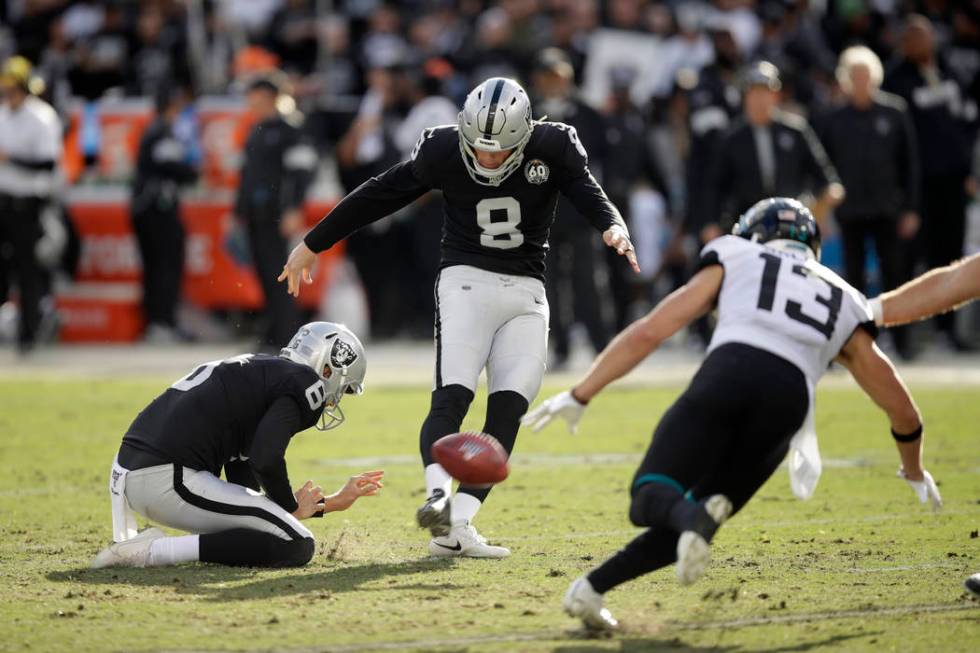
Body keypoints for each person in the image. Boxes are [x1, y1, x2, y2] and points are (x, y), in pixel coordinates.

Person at [524, 198, 941, 630]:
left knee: (649, 495)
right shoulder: (844, 295)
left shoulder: (735, 253)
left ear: (754, 234)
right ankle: (591, 590)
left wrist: (581, 393)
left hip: (730, 372)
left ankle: (686, 521)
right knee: (694, 521)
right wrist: (912, 468)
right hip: (788, 405)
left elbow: (652, 330)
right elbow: (902, 409)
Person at [280, 77, 638, 558]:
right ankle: (435, 496)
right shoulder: (443, 148)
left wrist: (613, 225)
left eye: (500, 150)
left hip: (527, 290)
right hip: (465, 281)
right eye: (480, 149)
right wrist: (312, 243)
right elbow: (379, 193)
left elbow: (588, 191)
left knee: (510, 406)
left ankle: (458, 529)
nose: (488, 159)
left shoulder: (553, 144)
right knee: (453, 394)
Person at [91, 322, 383, 569]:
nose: (336, 399)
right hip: (166, 476)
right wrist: (289, 506)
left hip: (133, 473)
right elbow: (265, 458)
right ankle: (153, 552)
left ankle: (147, 547)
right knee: (298, 544)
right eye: (343, 389)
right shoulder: (305, 383)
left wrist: (327, 504)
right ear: (329, 370)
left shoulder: (262, 369)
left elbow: (243, 477)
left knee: (273, 532)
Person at [820, 46, 920, 357]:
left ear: (874, 77)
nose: (861, 82)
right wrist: (824, 209)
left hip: (887, 208)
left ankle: (902, 342)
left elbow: (910, 165)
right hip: (850, 211)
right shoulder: (834, 118)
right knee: (852, 279)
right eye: (854, 76)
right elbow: (823, 167)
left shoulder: (894, 111)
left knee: (895, 273)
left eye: (865, 76)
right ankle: (858, 342)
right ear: (846, 80)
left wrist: (912, 209)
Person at [882, 15, 975, 350]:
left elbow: (967, 122)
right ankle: (902, 335)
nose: (919, 44)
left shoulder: (951, 70)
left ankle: (946, 331)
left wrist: (968, 171)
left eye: (923, 36)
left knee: (951, 254)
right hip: (918, 185)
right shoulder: (896, 79)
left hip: (953, 181)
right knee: (910, 256)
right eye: (911, 38)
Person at [703, 62, 843, 236]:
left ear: (777, 95)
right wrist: (711, 223)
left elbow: (826, 178)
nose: (760, 99)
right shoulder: (731, 139)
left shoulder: (796, 130)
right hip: (747, 226)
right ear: (745, 97)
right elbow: (715, 188)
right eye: (755, 93)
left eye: (766, 92)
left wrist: (821, 204)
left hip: (792, 223)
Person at [234, 74, 317, 350]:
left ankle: (287, 336)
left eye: (256, 99)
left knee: (280, 274)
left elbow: (302, 172)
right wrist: (238, 210)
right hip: (255, 215)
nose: (252, 105)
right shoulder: (254, 131)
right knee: (265, 275)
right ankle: (273, 333)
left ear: (271, 98)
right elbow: (246, 176)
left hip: (277, 215)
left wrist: (294, 207)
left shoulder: (290, 130)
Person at [0, 55, 61, 354]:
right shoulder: (2, 115)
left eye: (11, 89)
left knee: (27, 270)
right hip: (3, 201)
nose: (7, 95)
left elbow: (47, 163)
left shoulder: (42, 117)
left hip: (28, 204)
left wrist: (11, 159)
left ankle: (29, 334)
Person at [130, 84, 198, 343]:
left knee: (155, 267)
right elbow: (173, 167)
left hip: (146, 208)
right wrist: (195, 173)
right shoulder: (162, 132)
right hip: (156, 209)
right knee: (165, 265)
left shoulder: (154, 130)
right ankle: (162, 322)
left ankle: (157, 322)